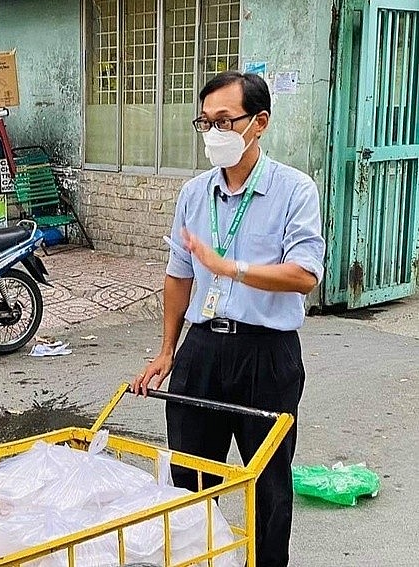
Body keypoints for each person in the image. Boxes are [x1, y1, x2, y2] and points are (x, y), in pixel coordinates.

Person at [132, 71, 325, 567]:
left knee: (268, 485)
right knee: (192, 481)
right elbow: (179, 275)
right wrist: (167, 350)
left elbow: (305, 275)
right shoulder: (195, 194)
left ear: (259, 122)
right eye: (205, 122)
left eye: (224, 121)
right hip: (202, 353)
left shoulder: (293, 190)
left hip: (267, 354)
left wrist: (230, 268)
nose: (213, 133)